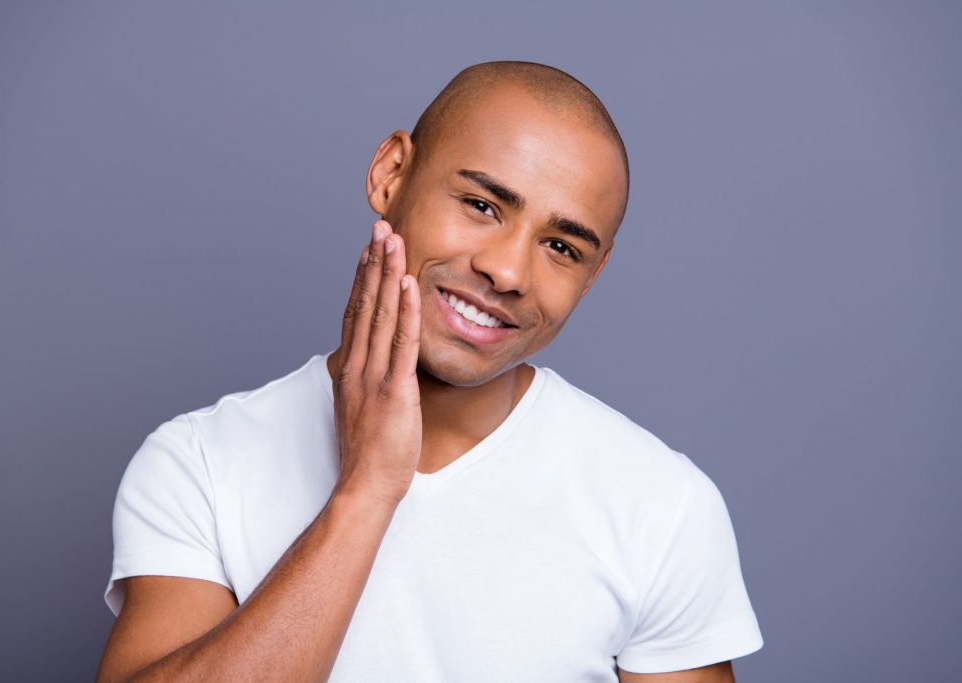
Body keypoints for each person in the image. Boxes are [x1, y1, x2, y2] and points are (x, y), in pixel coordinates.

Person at [96, 60, 763, 683]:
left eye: (561, 247)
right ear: (390, 174)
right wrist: (366, 492)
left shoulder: (661, 504)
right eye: (481, 205)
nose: (507, 271)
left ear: (594, 275)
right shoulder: (200, 464)